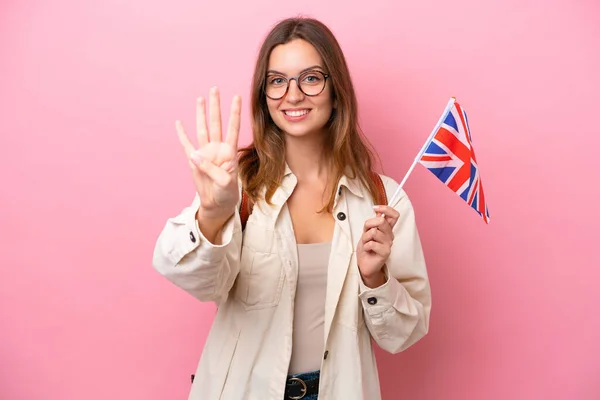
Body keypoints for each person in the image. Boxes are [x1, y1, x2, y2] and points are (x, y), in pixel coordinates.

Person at [152, 16, 431, 400]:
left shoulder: (384, 199)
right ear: (264, 95)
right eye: (277, 80)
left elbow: (403, 335)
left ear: (336, 90)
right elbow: (192, 279)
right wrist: (213, 214)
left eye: (311, 78)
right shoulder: (238, 185)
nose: (293, 95)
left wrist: (375, 278)